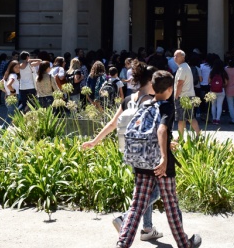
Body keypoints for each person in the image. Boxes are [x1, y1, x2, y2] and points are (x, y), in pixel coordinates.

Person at [115, 70, 202, 248]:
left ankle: (122, 243)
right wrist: (163, 157)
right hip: (161, 164)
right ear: (170, 89)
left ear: (153, 88)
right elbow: (161, 130)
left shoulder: (145, 105)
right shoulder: (167, 106)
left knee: (136, 205)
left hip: (141, 161)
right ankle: (184, 243)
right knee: (171, 203)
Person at [83, 64, 164, 242]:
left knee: (144, 189)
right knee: (156, 192)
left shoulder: (129, 99)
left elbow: (113, 123)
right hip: (149, 154)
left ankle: (147, 229)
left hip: (131, 152)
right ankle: (126, 217)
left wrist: (95, 141)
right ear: (151, 81)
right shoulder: (150, 101)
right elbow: (158, 129)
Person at [174, 50, 200, 137]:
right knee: (188, 117)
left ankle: (182, 137)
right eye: (174, 56)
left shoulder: (183, 68)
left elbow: (180, 83)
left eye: (177, 56)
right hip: (187, 96)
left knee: (184, 118)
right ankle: (196, 135)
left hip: (183, 96)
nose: (175, 58)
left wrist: (176, 96)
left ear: (183, 57)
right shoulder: (184, 67)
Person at [2, 60, 20, 126]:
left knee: (12, 115)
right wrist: (13, 91)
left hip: (7, 96)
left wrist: (6, 92)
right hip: (13, 97)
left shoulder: (7, 75)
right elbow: (8, 85)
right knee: (10, 116)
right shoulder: (14, 75)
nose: (18, 69)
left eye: (19, 67)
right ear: (11, 67)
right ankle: (1, 132)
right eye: (16, 67)